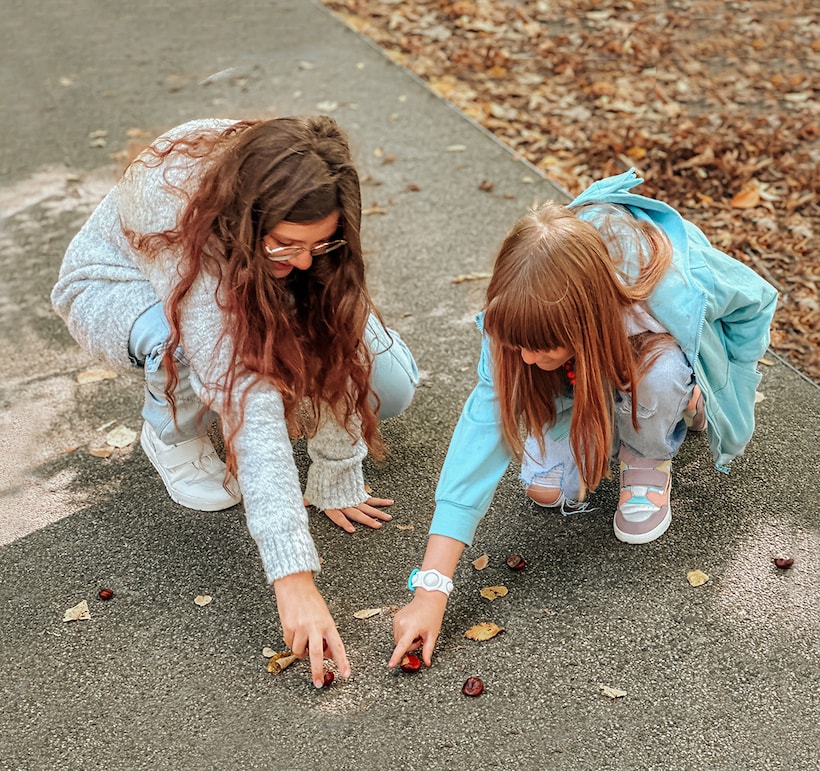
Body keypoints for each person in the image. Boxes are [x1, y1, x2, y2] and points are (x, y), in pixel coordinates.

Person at [51, 116, 418, 687]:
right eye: (289, 244)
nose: (304, 260)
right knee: (197, 351)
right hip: (123, 289)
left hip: (241, 269)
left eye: (320, 242)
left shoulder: (302, 182)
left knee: (388, 386)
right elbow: (247, 396)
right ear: (249, 218)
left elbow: (331, 326)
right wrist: (293, 579)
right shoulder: (170, 202)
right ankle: (169, 429)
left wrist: (336, 472)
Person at [389, 169, 776, 669]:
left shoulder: (663, 283)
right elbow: (483, 427)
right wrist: (431, 588)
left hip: (644, 356)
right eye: (517, 346)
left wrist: (727, 385)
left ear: (586, 323)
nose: (524, 359)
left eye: (539, 346)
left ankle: (650, 448)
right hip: (587, 371)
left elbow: (757, 300)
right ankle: (605, 412)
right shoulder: (515, 317)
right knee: (547, 490)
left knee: (660, 378)